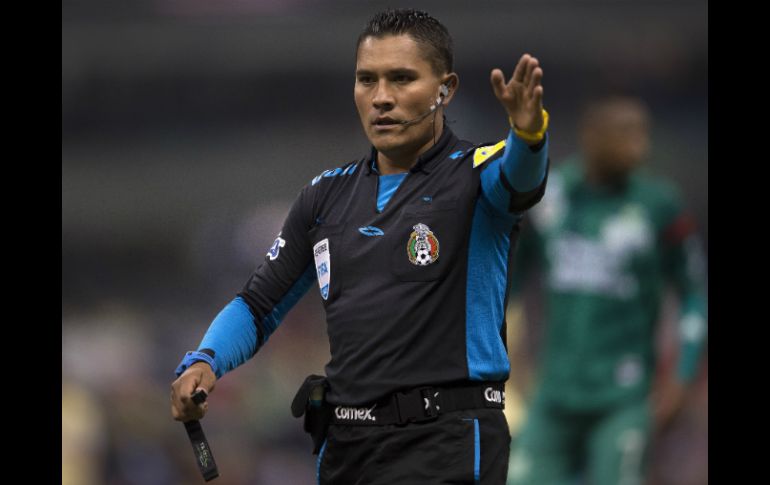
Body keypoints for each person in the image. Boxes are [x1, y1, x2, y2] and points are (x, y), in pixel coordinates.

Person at [171, 8, 550, 484]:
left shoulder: (477, 174)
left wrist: (529, 135)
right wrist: (205, 360)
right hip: (348, 448)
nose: (381, 97)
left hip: (447, 442)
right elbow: (257, 304)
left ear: (445, 88)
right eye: (367, 79)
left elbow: (521, 179)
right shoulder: (325, 196)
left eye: (401, 78)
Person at [506, 96, 708, 485]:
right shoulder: (552, 197)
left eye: (641, 134)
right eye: (625, 134)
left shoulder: (659, 206)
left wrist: (683, 375)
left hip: (623, 398)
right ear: (590, 137)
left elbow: (693, 293)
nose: (639, 147)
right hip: (554, 392)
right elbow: (510, 279)